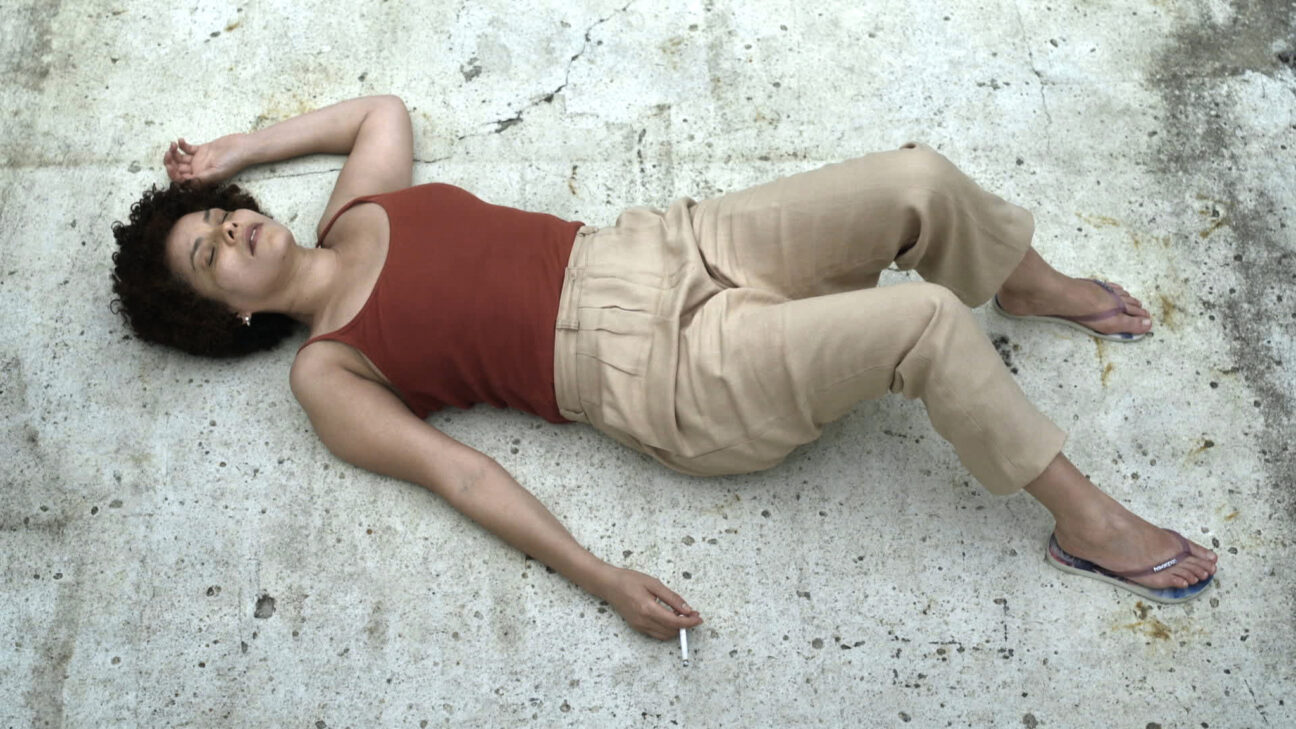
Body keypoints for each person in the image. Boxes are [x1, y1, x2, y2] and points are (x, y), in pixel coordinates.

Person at [110, 95, 1216, 640]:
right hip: (667, 375)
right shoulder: (327, 374)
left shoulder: (358, 206)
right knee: (922, 323)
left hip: (672, 244)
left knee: (915, 178)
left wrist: (236, 150)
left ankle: (1026, 281)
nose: (232, 229)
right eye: (210, 257)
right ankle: (1086, 523)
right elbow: (461, 475)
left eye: (222, 215)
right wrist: (599, 577)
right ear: (231, 315)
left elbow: (380, 111)